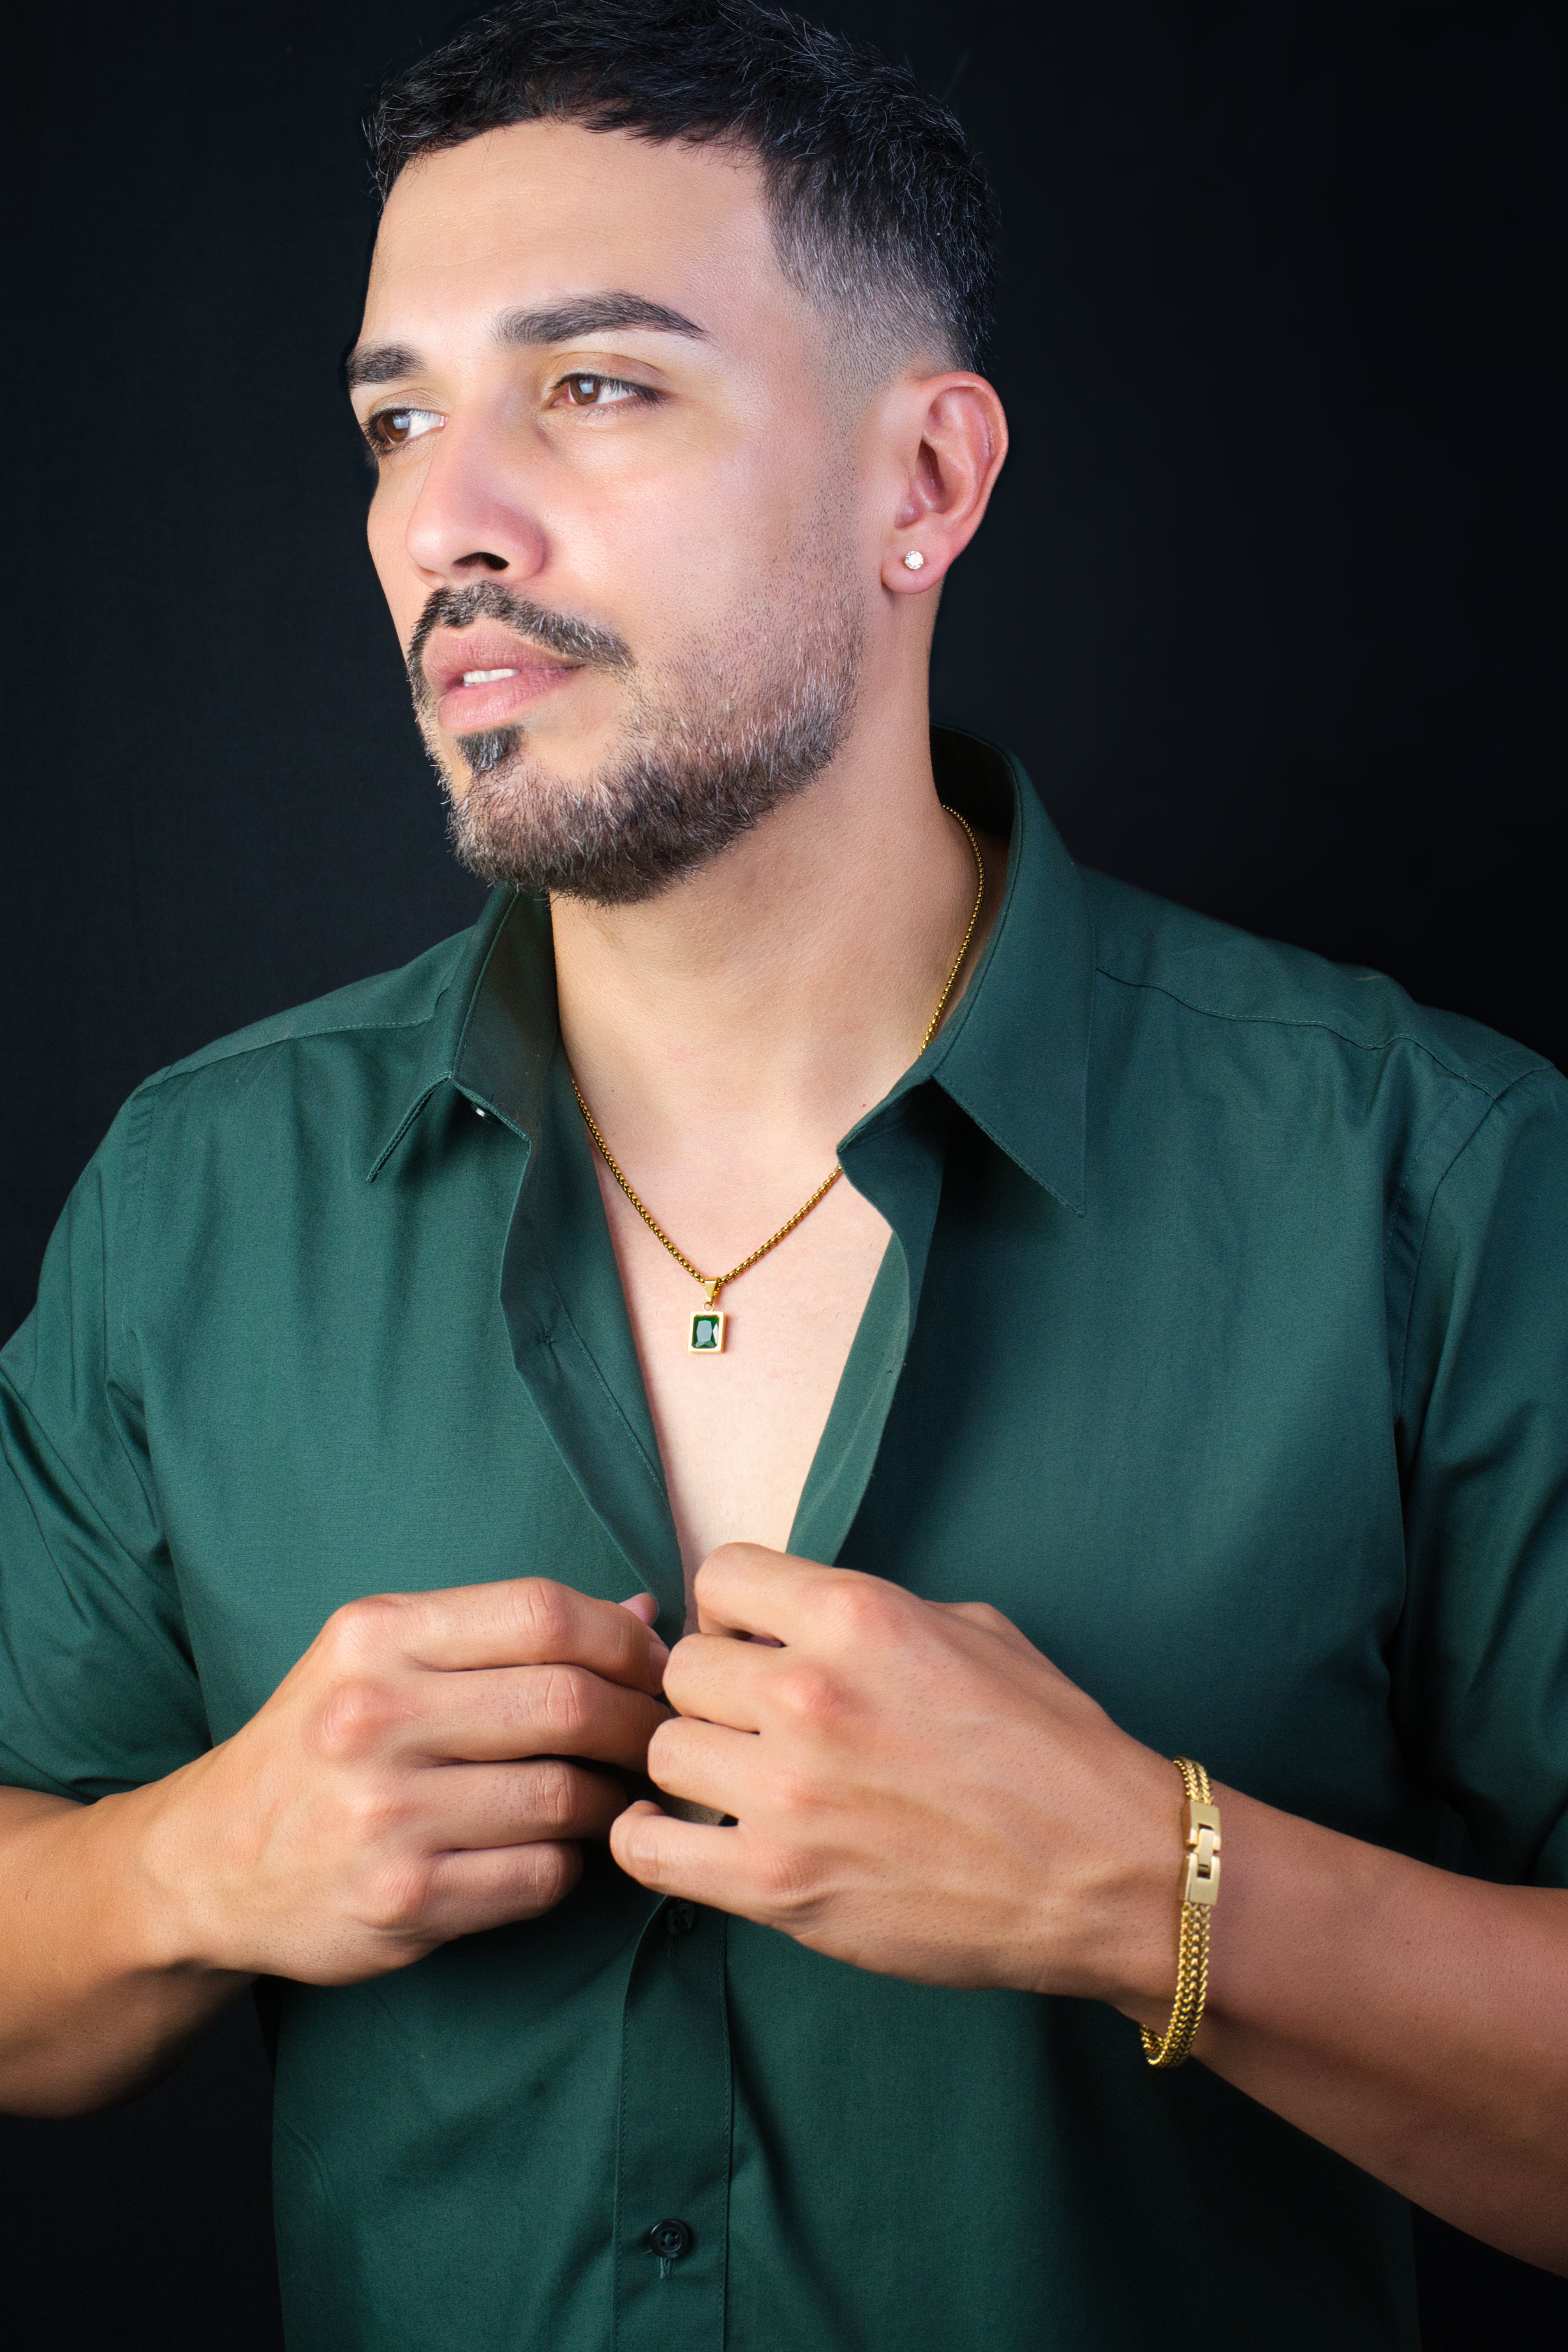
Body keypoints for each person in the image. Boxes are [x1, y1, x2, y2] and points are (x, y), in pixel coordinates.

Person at [0, 3, 1564, 2345]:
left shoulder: (1431, 1181)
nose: (445, 519)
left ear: (920, 480)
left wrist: (1149, 1888)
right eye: (398, 419)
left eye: (593, 386)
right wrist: (184, 1866)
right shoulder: (198, 1198)